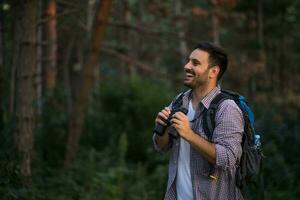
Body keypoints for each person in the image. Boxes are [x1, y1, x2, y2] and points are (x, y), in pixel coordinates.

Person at [153, 42, 244, 200]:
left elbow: (228, 158)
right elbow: (161, 147)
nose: (187, 66)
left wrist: (189, 134)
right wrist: (161, 129)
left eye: (195, 63)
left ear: (213, 72)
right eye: (189, 61)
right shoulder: (179, 101)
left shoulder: (227, 108)